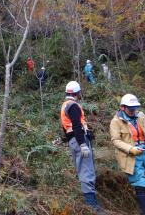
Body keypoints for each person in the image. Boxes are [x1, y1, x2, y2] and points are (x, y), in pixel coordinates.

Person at [60, 81, 102, 212]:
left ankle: (92, 204)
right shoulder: (73, 106)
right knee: (87, 171)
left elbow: (66, 128)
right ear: (77, 93)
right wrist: (83, 144)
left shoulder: (65, 105)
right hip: (79, 140)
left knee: (84, 170)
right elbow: (77, 125)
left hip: (74, 140)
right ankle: (92, 207)